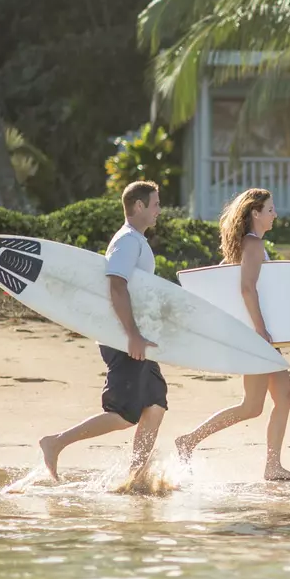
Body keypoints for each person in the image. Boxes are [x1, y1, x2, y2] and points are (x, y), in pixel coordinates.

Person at [39, 181, 167, 480]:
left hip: (134, 335)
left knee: (156, 403)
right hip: (123, 337)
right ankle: (55, 443)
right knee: (124, 414)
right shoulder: (127, 241)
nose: (159, 210)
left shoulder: (137, 241)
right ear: (138, 206)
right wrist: (132, 335)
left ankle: (136, 475)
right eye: (155, 204)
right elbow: (116, 284)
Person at [174, 188, 290, 481]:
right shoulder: (253, 245)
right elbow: (246, 289)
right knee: (253, 405)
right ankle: (189, 441)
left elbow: (226, 279)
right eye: (270, 209)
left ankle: (272, 465)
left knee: (281, 397)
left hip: (256, 333)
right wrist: (260, 329)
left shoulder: (248, 245)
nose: (275, 214)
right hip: (255, 335)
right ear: (255, 213)